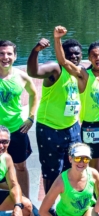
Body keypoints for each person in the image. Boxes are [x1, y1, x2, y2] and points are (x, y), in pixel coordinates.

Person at [53, 26, 99, 171]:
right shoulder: (84, 74)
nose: (98, 58)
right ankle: (96, 193)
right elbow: (64, 62)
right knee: (92, 165)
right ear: (89, 58)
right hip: (90, 126)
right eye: (94, 56)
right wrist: (57, 38)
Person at [26, 36, 83, 196]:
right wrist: (36, 51)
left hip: (72, 127)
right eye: (69, 54)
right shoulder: (55, 68)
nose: (74, 57)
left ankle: (68, 205)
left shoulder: (78, 72)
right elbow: (33, 72)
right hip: (50, 128)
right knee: (52, 171)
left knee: (74, 166)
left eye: (77, 54)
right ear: (61, 55)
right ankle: (49, 209)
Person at [0, 40, 38, 200]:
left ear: (15, 56)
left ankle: (25, 203)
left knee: (21, 167)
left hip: (16, 130)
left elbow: (34, 94)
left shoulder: (21, 76)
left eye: (9, 53)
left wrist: (30, 117)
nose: (5, 57)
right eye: (1, 53)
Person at [0, 126, 46, 216]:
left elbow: (14, 185)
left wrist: (17, 206)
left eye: (5, 142)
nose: (1, 146)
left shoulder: (6, 158)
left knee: (26, 205)